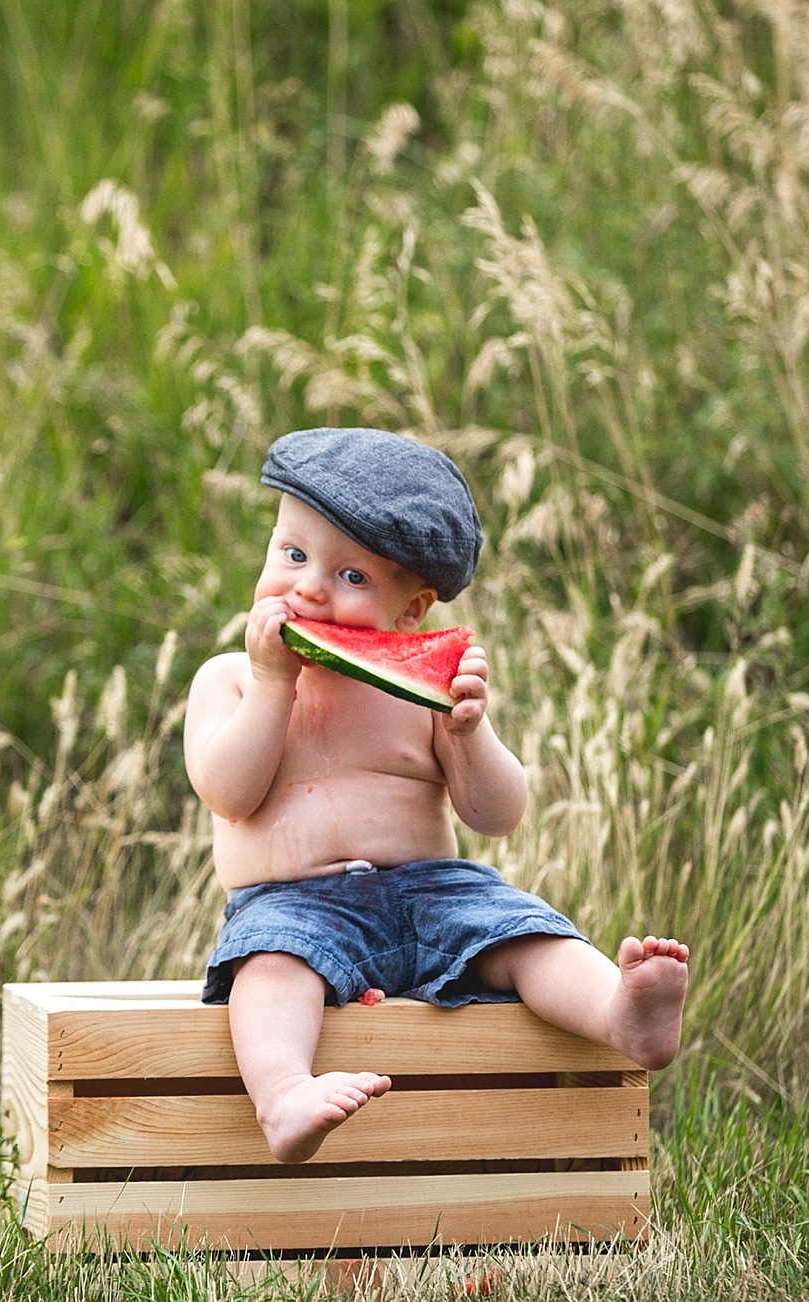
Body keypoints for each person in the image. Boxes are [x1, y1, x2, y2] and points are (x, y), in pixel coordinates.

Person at [183, 427, 690, 1164]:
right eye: (292, 555)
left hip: (436, 890)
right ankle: (285, 1093)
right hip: (294, 903)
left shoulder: (424, 689)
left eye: (352, 576)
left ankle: (621, 1012)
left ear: (413, 611)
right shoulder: (230, 678)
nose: (310, 587)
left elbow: (497, 816)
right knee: (269, 967)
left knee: (526, 933)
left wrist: (467, 736)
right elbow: (229, 794)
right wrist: (271, 686)